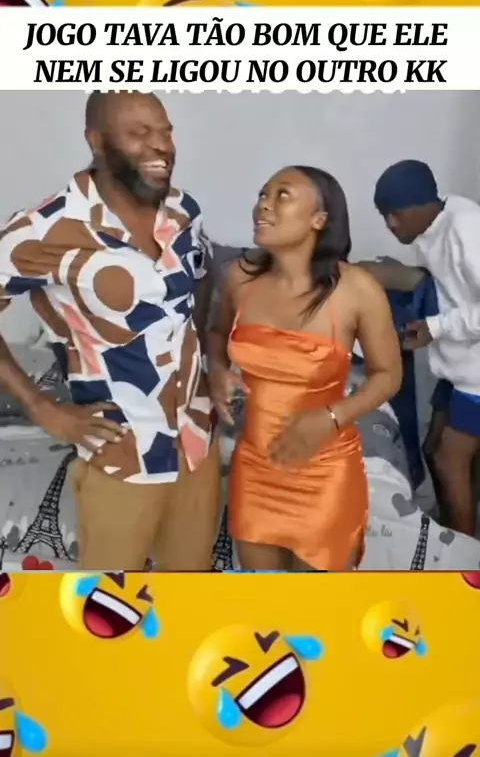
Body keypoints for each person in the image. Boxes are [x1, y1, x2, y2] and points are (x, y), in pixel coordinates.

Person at [0, 91, 220, 570]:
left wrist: (208, 360)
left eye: (165, 132)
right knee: (108, 603)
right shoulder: (46, 228)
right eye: (139, 133)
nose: (161, 146)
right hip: (122, 452)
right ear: (96, 142)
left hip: (196, 441)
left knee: (189, 596)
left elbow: (203, 276)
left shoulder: (183, 210)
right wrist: (42, 408)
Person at [209, 165, 402, 571]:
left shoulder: (357, 289)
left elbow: (388, 375)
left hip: (324, 471)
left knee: (319, 604)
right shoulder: (239, 278)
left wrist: (330, 417)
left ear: (319, 219)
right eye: (263, 194)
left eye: (282, 195)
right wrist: (218, 370)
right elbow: (217, 334)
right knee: (265, 599)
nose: (264, 204)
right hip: (255, 467)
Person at [374, 158, 480, 537]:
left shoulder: (467, 229)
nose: (390, 224)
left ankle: (464, 555)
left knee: (450, 461)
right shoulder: (432, 224)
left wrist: (436, 327)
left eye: (396, 215)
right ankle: (451, 533)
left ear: (423, 206)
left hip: (476, 378)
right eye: (385, 216)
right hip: (459, 368)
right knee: (433, 448)